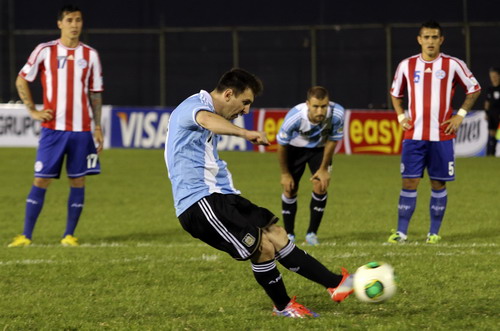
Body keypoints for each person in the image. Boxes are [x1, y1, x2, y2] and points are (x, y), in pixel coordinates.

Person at [164, 68, 353, 318]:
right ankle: (283, 306)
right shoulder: (195, 106)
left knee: (276, 233)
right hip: (199, 203)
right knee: (262, 247)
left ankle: (337, 283)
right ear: (229, 94)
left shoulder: (207, 108)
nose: (246, 111)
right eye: (245, 103)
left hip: (222, 194)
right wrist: (245, 133)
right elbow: (207, 120)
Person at [8, 5, 104, 247]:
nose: (75, 24)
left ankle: (69, 235)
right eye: (70, 20)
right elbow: (22, 78)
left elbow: (95, 94)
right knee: (41, 179)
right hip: (53, 130)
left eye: (78, 20)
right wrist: (32, 110)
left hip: (82, 130)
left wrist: (98, 127)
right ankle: (26, 236)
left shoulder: (90, 55)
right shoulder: (45, 50)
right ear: (60, 23)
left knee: (78, 180)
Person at [388, 20, 481, 244]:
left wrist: (460, 114)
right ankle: (401, 233)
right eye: (426, 37)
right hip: (414, 136)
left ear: (441, 40)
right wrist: (401, 115)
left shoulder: (453, 64)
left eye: (434, 37)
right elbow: (395, 93)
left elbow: (474, 88)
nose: (430, 41)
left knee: (438, 183)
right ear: (419, 40)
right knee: (409, 182)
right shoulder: (406, 65)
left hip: (442, 135)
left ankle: (434, 233)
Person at [276, 86, 345, 246]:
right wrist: (285, 174)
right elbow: (281, 146)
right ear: (308, 104)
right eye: (316, 106)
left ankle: (312, 234)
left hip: (320, 150)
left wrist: (323, 169)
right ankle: (289, 234)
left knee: (321, 186)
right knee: (290, 189)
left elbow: (332, 141)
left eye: (324, 106)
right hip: (294, 150)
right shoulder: (294, 117)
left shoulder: (338, 114)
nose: (320, 111)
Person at [484, 67, 500, 156]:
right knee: (491, 135)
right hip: (492, 114)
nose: (493, 78)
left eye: (495, 76)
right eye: (491, 76)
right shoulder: (490, 89)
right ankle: (490, 154)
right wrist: (487, 113)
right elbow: (487, 102)